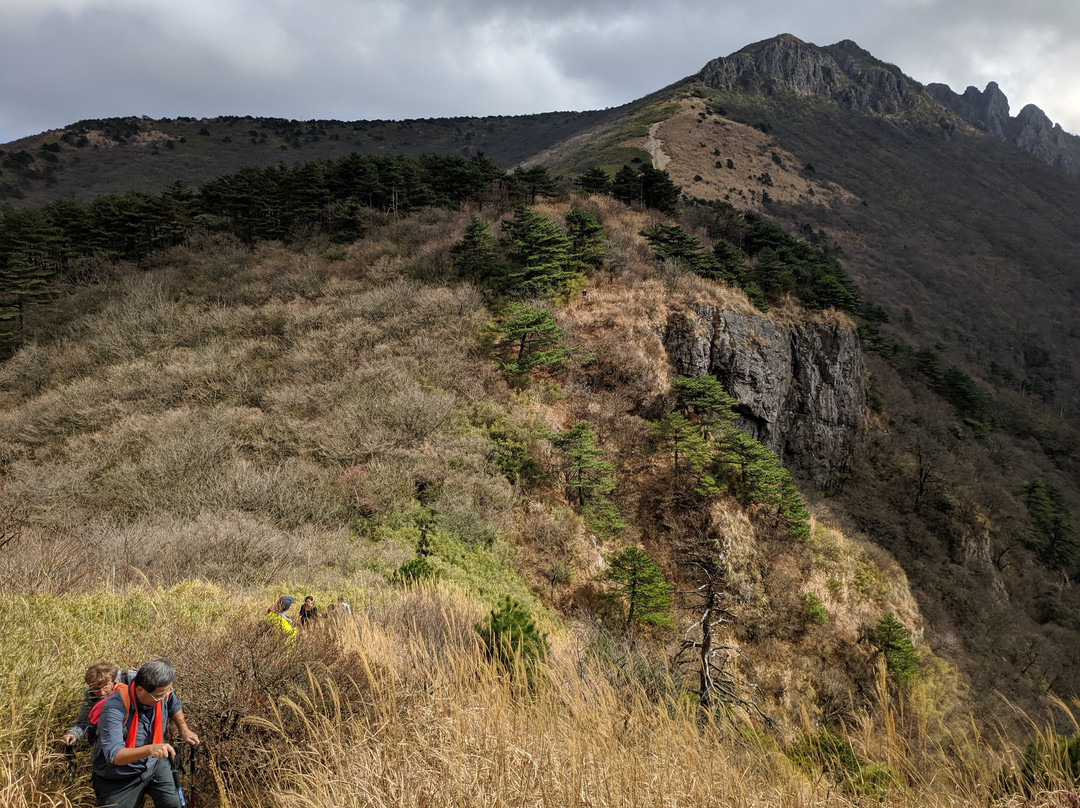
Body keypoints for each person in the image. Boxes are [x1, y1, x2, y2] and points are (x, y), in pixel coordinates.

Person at [91, 657, 199, 808]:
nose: (162, 698)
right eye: (158, 696)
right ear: (140, 690)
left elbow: (173, 704)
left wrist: (185, 730)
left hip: (154, 764)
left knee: (173, 805)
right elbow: (115, 756)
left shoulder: (162, 692)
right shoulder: (114, 708)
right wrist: (151, 749)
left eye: (165, 693)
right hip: (119, 776)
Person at [62, 661, 138, 747]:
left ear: (113, 680)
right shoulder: (90, 695)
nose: (101, 693)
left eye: (105, 687)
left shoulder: (130, 678)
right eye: (96, 689)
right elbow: (83, 723)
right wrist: (73, 734)